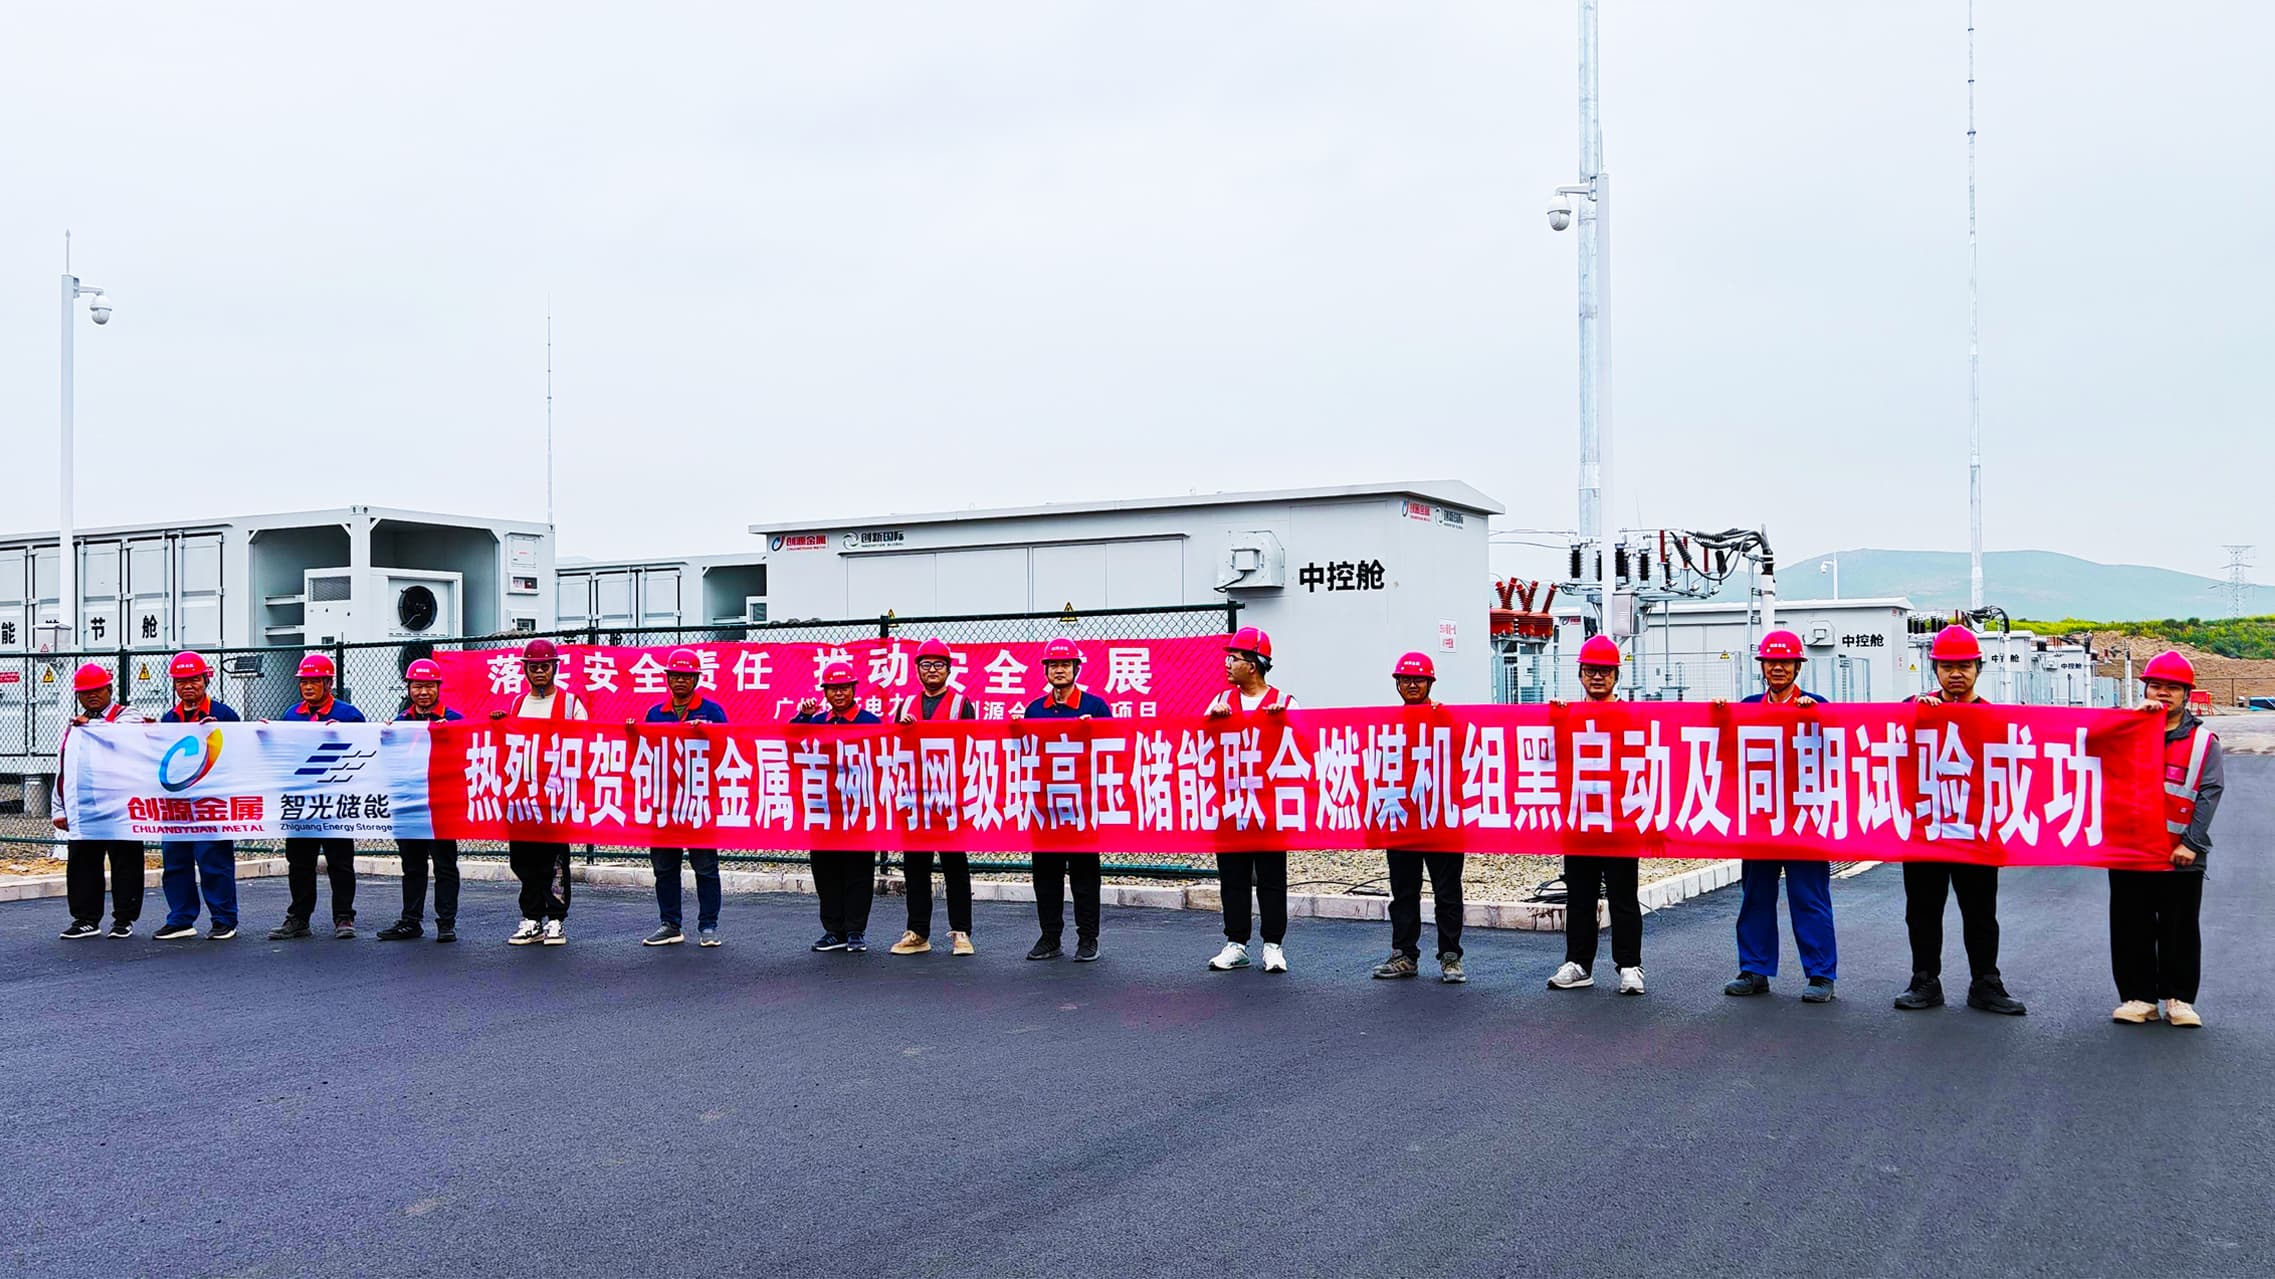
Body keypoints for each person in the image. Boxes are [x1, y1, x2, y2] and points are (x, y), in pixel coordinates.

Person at [1893, 625, 2026, 1015]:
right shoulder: (1915, 709)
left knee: (1981, 913)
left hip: (1976, 831)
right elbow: (1886, 742)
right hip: (1926, 829)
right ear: (1934, 669)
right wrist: (1913, 713)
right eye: (1947, 666)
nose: (1955, 673)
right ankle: (1924, 980)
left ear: (1978, 669)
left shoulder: (1994, 717)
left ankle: (1985, 982)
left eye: (1964, 666)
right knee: (1922, 911)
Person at [1724, 629, 1840, 1003]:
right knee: (1755, 896)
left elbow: (1838, 750)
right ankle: (1754, 969)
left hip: (1804, 819)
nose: (1778, 668)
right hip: (1761, 818)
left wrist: (1817, 718)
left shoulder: (1817, 705)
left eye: (1785, 662)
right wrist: (1718, 715)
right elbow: (1725, 749)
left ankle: (1821, 974)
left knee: (1810, 897)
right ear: (1762, 667)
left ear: (1797, 667)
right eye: (1771, 662)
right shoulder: (1747, 707)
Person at [2110, 651, 2223, 1028]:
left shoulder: (2205, 742)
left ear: (2186, 694)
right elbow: (2089, 748)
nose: (2162, 693)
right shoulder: (2126, 730)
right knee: (2131, 925)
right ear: (2144, 689)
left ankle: (2179, 999)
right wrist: (2132, 720)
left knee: (2180, 928)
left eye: (2172, 687)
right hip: (2129, 850)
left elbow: (2209, 793)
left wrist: (2192, 843)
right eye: (2155, 685)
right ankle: (2139, 997)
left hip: (2181, 853)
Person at [1547, 635, 1645, 995]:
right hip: (1580, 819)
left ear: (1616, 675)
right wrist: (1553, 719)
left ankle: (1630, 966)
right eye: (1591, 671)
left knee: (1624, 897)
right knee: (1579, 897)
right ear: (1580, 675)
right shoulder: (1566, 715)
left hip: (1620, 820)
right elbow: (1544, 756)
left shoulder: (1634, 717)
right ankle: (1578, 963)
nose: (1598, 677)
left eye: (1605, 671)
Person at [1205, 625, 1296, 974]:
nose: (1227, 664)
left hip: (1269, 807)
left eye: (1235, 658)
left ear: (1253, 665)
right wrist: (1211, 723)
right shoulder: (1220, 702)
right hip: (1230, 806)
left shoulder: (1285, 703)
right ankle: (1236, 943)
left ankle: (1273, 945)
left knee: (1272, 877)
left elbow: (1306, 745)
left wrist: (1285, 723)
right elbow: (1199, 747)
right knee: (1233, 877)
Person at [1372, 651, 1466, 983]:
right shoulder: (1390, 723)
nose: (1412, 685)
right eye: (1406, 680)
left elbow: (1466, 750)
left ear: (1430, 683)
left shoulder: (1447, 718)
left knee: (1448, 892)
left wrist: (1446, 719)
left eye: (1419, 680)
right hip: (1403, 818)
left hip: (1441, 818)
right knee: (1403, 892)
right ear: (1397, 684)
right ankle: (1404, 955)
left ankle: (1450, 957)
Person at [492, 637, 588, 947]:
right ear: (525, 670)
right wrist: (500, 725)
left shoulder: (571, 703)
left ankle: (556, 918)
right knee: (523, 859)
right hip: (521, 795)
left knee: (554, 860)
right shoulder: (517, 704)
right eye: (533, 667)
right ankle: (531, 917)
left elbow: (586, 741)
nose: (539, 672)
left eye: (544, 666)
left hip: (555, 796)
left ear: (554, 668)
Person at [1022, 637, 1111, 963]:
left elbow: (1114, 750)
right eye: (1053, 665)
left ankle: (1088, 938)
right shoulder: (1034, 710)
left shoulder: (1096, 708)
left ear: (1076, 668)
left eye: (1065, 664)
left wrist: (1094, 733)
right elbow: (1024, 754)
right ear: (1045, 670)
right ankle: (1050, 937)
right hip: (1045, 807)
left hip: (1081, 807)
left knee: (1085, 876)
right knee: (1046, 876)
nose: (1059, 670)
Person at [270, 653, 368, 941]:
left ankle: (344, 917)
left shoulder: (349, 715)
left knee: (340, 862)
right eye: (304, 682)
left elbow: (365, 749)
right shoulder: (291, 715)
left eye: (314, 681)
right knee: (299, 862)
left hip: (336, 802)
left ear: (328, 683)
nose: (308, 687)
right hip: (302, 802)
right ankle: (299, 918)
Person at [891, 637, 977, 957]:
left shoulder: (961, 704)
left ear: (948, 669)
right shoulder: (904, 706)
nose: (931, 670)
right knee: (915, 867)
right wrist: (902, 729)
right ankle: (917, 932)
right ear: (917, 669)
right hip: (915, 798)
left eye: (938, 665)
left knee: (955, 866)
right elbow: (892, 748)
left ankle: (961, 932)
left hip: (949, 798)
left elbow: (972, 746)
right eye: (925, 665)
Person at [641, 649, 730, 948]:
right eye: (675, 675)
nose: (680, 680)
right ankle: (670, 924)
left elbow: (728, 746)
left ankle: (709, 925)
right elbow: (645, 751)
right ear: (667, 679)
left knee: (705, 866)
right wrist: (631, 731)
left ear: (696, 679)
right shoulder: (655, 714)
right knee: (664, 867)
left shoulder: (712, 712)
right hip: (665, 801)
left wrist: (706, 733)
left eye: (687, 676)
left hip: (699, 801)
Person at [152, 652, 243, 941]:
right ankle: (181, 918)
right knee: (175, 862)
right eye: (181, 681)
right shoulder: (170, 719)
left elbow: (240, 754)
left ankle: (224, 919)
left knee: (214, 861)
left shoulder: (224, 715)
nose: (188, 686)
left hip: (210, 804)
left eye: (194, 680)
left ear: (206, 680)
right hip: (177, 805)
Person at [53, 662, 146, 940]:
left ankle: (124, 920)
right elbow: (64, 766)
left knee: (126, 861)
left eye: (97, 690)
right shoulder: (74, 726)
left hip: (121, 805)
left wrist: (91, 725)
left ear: (109, 689)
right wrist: (59, 807)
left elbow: (122, 738)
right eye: (85, 692)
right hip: (86, 805)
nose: (92, 696)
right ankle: (85, 919)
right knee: (82, 862)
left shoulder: (128, 715)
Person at [795, 660, 883, 953]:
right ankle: (833, 930)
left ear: (854, 689)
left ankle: (855, 930)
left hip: (858, 809)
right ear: (825, 692)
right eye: (833, 688)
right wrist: (803, 717)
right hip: (823, 809)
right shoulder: (817, 722)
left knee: (858, 870)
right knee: (826, 870)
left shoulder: (870, 722)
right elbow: (791, 742)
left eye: (844, 687)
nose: (839, 693)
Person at [378, 658, 462, 942]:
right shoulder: (400, 722)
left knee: (445, 865)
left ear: (438, 687)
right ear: (409, 688)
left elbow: (467, 755)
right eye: (417, 686)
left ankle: (446, 923)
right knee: (412, 865)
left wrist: (450, 735)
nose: (423, 692)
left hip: (441, 805)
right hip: (409, 804)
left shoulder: (455, 721)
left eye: (429, 686)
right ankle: (410, 921)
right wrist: (384, 735)